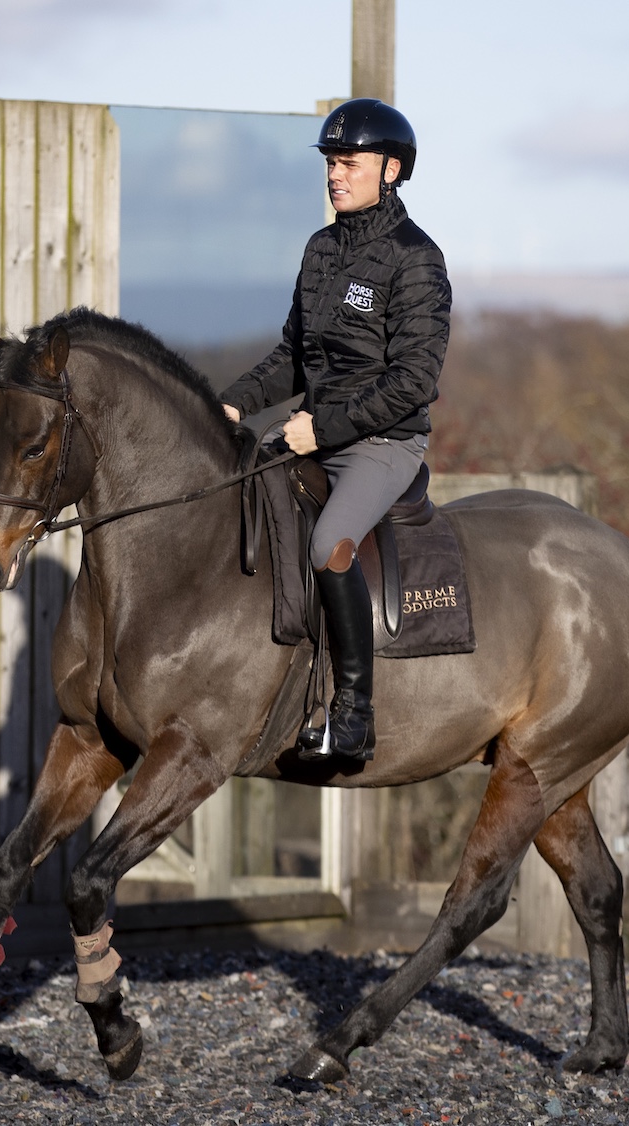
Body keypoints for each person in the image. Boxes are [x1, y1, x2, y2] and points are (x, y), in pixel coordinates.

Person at [219, 98, 451, 765]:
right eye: (330, 162)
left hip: (383, 444)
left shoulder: (417, 261)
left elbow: (413, 383)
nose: (335, 174)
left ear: (391, 168)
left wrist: (319, 430)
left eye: (348, 162)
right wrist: (231, 405)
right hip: (312, 431)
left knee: (326, 545)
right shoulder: (320, 250)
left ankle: (354, 713)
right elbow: (293, 355)